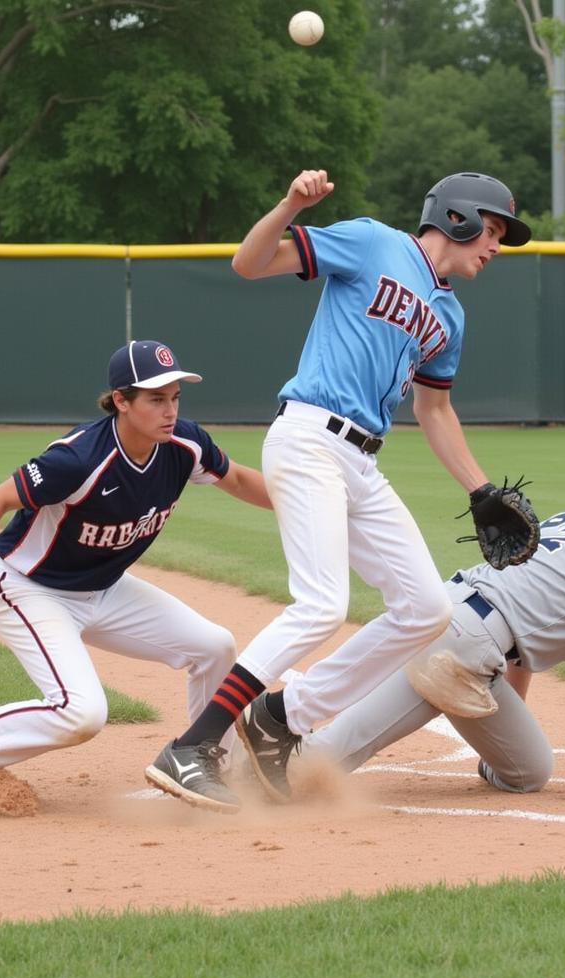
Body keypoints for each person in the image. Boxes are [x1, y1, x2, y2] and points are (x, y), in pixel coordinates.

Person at [145, 168, 539, 813]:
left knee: (425, 608)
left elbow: (435, 412)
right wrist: (290, 206)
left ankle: (281, 717)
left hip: (362, 462)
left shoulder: (450, 317)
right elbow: (248, 264)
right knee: (322, 604)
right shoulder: (372, 242)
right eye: (491, 230)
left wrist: (481, 490)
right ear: (459, 218)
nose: (495, 246)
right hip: (308, 437)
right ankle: (194, 744)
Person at [0, 340, 272, 799]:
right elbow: (0, 497)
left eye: (174, 397)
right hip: (32, 589)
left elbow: (237, 478)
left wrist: (311, 508)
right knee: (82, 713)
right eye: (155, 399)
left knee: (214, 646)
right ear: (120, 401)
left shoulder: (184, 444)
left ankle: (205, 762)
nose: (169, 410)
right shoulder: (78, 458)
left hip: (105, 589)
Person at [300, 429, 565, 806]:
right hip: (464, 641)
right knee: (335, 753)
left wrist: (507, 717)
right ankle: (253, 766)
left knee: (528, 772)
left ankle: (261, 736)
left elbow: (520, 627)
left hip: (442, 608)